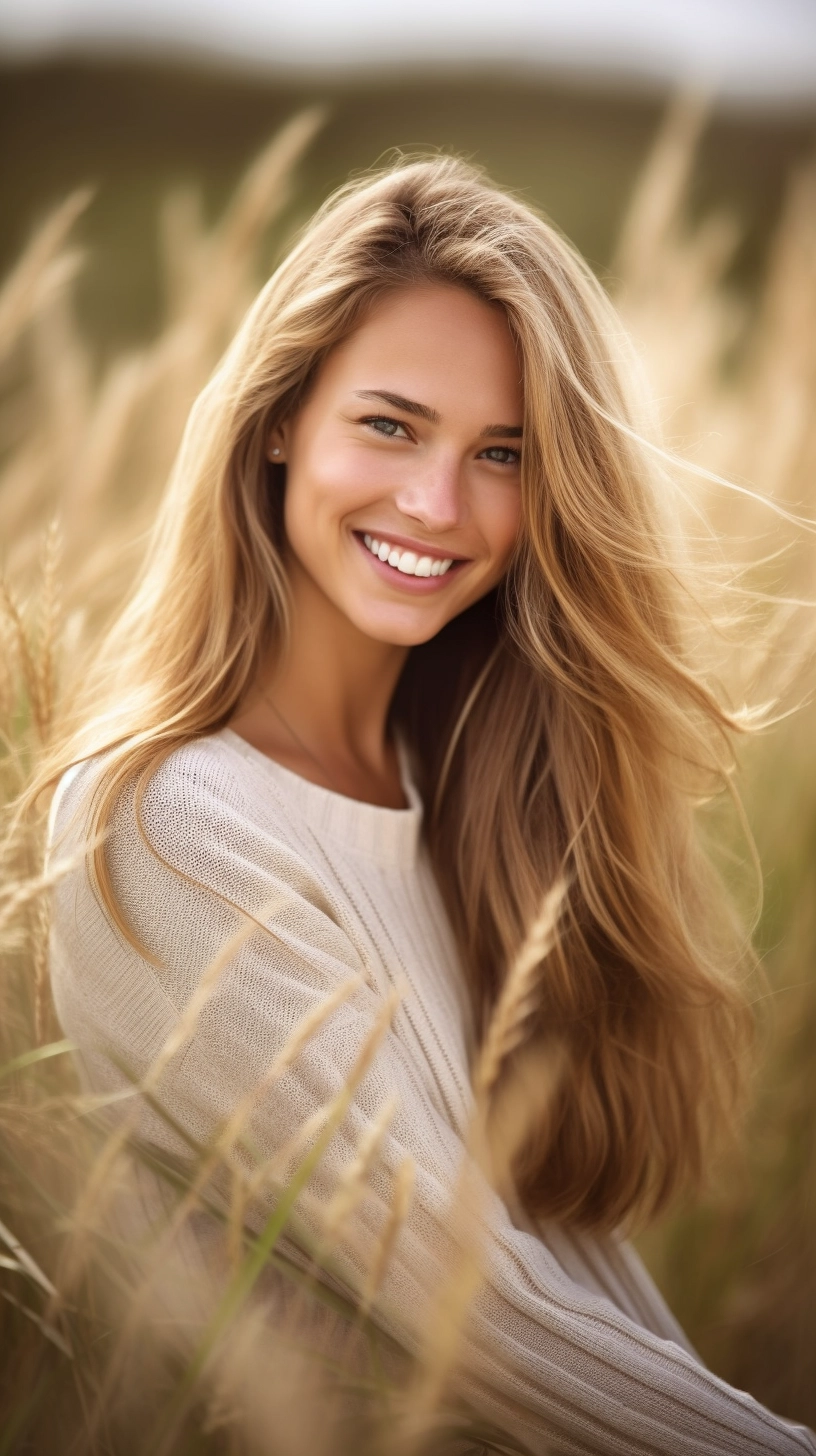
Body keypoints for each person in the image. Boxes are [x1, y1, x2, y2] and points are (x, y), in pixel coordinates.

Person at [41, 156, 815, 1454]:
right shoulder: (164, 825)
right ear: (280, 419)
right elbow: (493, 1323)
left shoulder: (466, 793)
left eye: (502, 453)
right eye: (391, 426)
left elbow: (584, 1286)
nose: (437, 505)